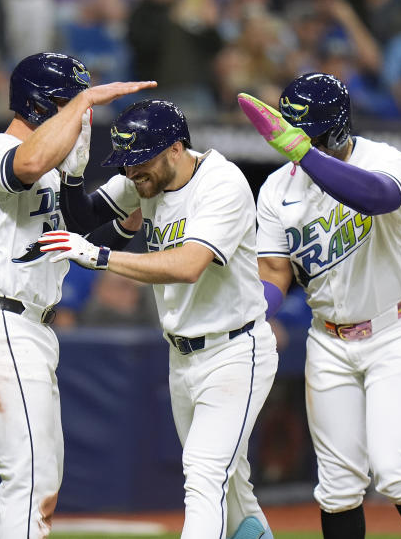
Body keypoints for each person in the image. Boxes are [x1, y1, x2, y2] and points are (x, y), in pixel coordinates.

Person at [41, 99, 277, 539]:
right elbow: (83, 217)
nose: (131, 173)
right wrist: (73, 176)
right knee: (234, 494)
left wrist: (103, 257)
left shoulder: (222, 183)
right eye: (126, 164)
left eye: (139, 162)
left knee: (204, 476)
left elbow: (188, 264)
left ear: (174, 148)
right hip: (182, 355)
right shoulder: (146, 180)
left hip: (234, 351)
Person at [0, 52, 154, 538]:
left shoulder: (54, 173)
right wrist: (85, 98)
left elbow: (76, 233)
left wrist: (121, 222)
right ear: (41, 104)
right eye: (68, 105)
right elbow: (31, 161)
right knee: (33, 480)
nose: (81, 119)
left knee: (30, 479)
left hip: (28, 330)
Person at [237, 73, 401, 539]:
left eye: (306, 135)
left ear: (334, 130)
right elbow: (276, 272)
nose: (295, 146)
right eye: (291, 136)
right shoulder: (276, 190)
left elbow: (375, 197)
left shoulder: (386, 160)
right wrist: (252, 314)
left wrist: (304, 154)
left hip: (397, 327)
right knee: (337, 487)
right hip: (330, 339)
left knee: (395, 472)